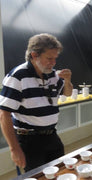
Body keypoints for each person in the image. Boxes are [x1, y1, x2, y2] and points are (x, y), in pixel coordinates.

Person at [0, 33, 73, 172]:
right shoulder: (18, 76)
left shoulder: (51, 74)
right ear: (34, 55)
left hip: (51, 135)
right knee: (37, 176)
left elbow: (67, 93)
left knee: (60, 171)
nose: (53, 63)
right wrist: (14, 149)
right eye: (49, 58)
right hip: (29, 140)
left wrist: (68, 81)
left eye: (55, 58)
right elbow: (4, 114)